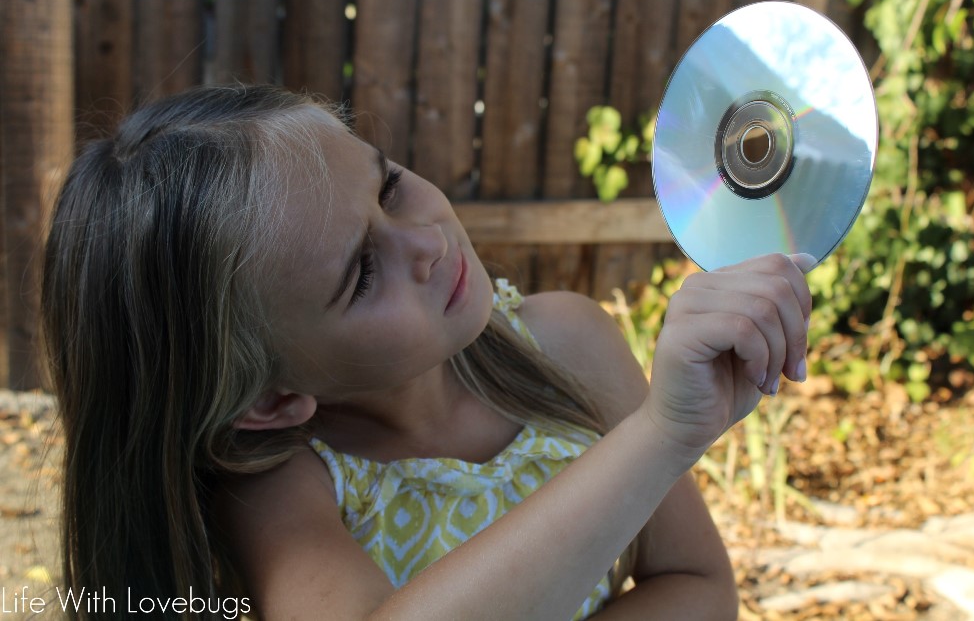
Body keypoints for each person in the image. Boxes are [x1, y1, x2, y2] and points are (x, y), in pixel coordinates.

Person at [41, 84, 812, 620]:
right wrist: (660, 437)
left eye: (390, 185)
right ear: (272, 400)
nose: (426, 238)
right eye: (362, 274)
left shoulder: (568, 344)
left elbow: (699, 583)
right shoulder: (285, 487)